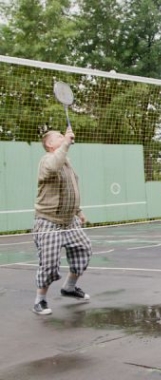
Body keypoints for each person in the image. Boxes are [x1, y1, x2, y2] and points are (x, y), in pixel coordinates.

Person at [32, 129, 92, 315]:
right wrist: (66, 142)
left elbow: (71, 189)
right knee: (49, 265)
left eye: (62, 135)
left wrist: (78, 211)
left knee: (84, 250)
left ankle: (69, 288)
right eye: (58, 136)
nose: (62, 137)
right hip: (49, 222)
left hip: (69, 221)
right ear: (50, 145)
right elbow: (52, 166)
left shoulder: (67, 163)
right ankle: (39, 301)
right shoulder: (47, 160)